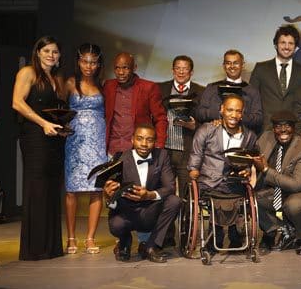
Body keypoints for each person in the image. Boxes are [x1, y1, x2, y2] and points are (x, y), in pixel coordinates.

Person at [12, 35, 66, 261]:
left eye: (55, 52)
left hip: (54, 138)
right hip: (35, 137)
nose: (51, 55)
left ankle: (51, 247)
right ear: (37, 52)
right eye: (46, 51)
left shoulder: (55, 77)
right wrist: (43, 123)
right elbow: (17, 102)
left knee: (52, 188)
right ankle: (35, 249)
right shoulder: (28, 72)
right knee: (37, 189)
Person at [253, 111, 301, 256]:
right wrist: (247, 170)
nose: (283, 130)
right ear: (273, 128)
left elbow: (297, 185)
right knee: (253, 199)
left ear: (294, 128)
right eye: (278, 126)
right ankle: (274, 231)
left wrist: (265, 170)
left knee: (294, 204)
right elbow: (253, 157)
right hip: (281, 189)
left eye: (287, 126)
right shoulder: (266, 138)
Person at [188, 94, 258, 254]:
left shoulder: (249, 136)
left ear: (242, 113)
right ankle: (215, 237)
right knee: (216, 199)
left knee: (239, 197)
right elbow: (196, 153)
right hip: (210, 182)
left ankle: (235, 236)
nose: (234, 115)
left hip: (235, 183)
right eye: (230, 110)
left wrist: (247, 170)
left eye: (238, 111)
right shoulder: (207, 129)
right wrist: (193, 169)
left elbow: (250, 161)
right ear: (222, 110)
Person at [103, 124, 180, 263]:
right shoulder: (120, 158)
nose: (144, 144)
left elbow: (170, 187)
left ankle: (151, 246)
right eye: (140, 139)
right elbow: (113, 195)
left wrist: (149, 195)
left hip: (151, 211)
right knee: (116, 224)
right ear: (132, 140)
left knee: (174, 201)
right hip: (127, 212)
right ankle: (125, 241)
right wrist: (108, 196)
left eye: (149, 140)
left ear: (155, 142)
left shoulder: (162, 156)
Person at [63, 43, 107, 255]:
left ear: (99, 64)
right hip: (75, 141)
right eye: (84, 61)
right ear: (78, 62)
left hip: (98, 140)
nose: (89, 66)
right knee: (71, 190)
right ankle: (71, 237)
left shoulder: (103, 85)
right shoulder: (70, 83)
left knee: (96, 189)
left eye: (93, 62)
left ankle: (90, 238)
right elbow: (59, 110)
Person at [158, 55, 204, 246]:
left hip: (188, 151)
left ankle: (186, 237)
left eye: (185, 68)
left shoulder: (201, 91)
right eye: (178, 68)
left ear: (191, 72)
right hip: (166, 150)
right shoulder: (161, 88)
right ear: (172, 70)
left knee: (188, 196)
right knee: (166, 194)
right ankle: (166, 237)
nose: (181, 71)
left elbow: (206, 120)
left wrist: (195, 125)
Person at [248, 25, 301, 132]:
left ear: (295, 46)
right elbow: (251, 100)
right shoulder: (260, 69)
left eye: (291, 43)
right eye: (283, 42)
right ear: (275, 45)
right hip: (265, 130)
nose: (287, 47)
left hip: (294, 131)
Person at [103, 52, 168, 155]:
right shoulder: (108, 86)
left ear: (134, 68)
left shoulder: (149, 87)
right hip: (112, 149)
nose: (121, 72)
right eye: (117, 68)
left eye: (125, 68)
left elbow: (160, 119)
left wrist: (159, 145)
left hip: (138, 150)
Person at [195, 50, 263, 134]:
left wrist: (236, 117)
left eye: (236, 63)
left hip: (242, 137)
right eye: (228, 63)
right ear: (224, 66)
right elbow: (200, 113)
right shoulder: (211, 88)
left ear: (242, 65)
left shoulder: (252, 91)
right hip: (214, 136)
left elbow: (258, 119)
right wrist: (220, 114)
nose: (232, 66)